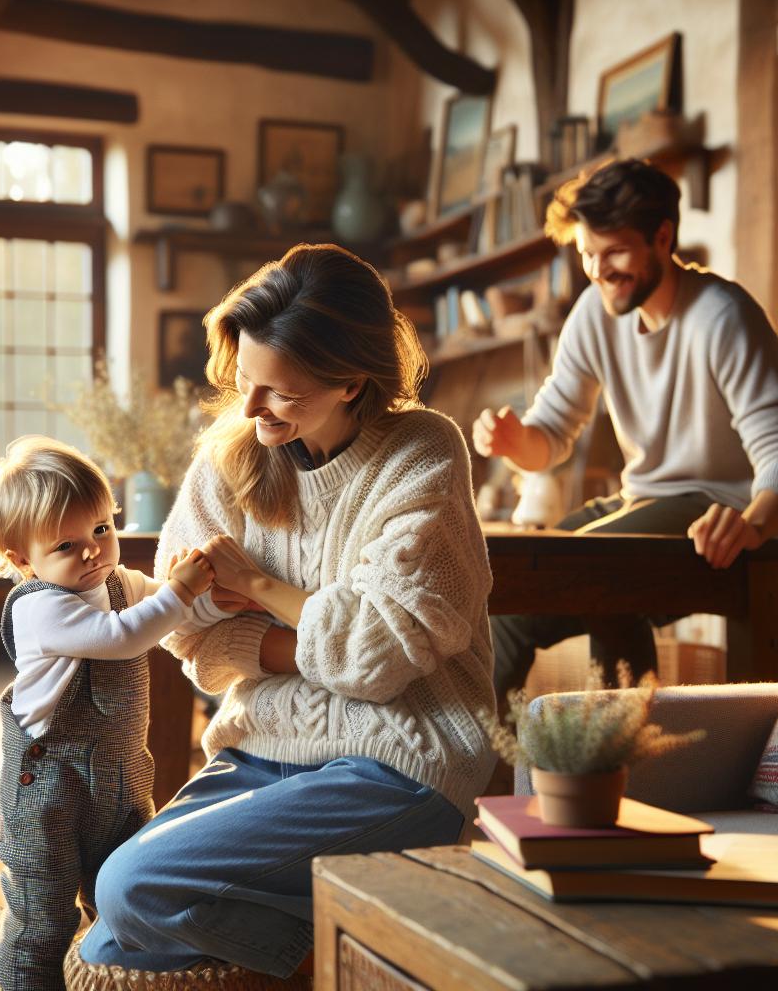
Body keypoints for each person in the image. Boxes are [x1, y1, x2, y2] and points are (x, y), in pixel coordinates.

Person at [67, 244, 496, 989]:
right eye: (245, 382)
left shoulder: (421, 449)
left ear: (352, 381)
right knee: (111, 940)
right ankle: (351, 934)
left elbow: (375, 660)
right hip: (261, 749)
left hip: (400, 762)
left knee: (131, 891)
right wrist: (291, 630)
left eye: (281, 394)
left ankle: (342, 945)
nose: (252, 409)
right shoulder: (229, 455)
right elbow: (184, 629)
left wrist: (256, 585)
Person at [474, 158, 778, 698]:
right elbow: (552, 433)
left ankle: (625, 745)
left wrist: (753, 524)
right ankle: (486, 751)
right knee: (506, 585)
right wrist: (518, 442)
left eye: (614, 252)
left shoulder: (723, 317)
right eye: (587, 253)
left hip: (713, 506)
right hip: (638, 500)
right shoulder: (593, 314)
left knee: (597, 573)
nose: (598, 270)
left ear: (663, 237)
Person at [0, 436, 219, 991]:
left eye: (102, 529)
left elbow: (173, 610)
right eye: (67, 545)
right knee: (42, 918)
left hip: (120, 780)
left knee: (123, 898)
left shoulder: (118, 582)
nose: (93, 552)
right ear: (21, 559)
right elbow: (123, 636)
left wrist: (217, 598)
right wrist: (179, 594)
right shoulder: (40, 608)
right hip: (46, 794)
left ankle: (103, 981)